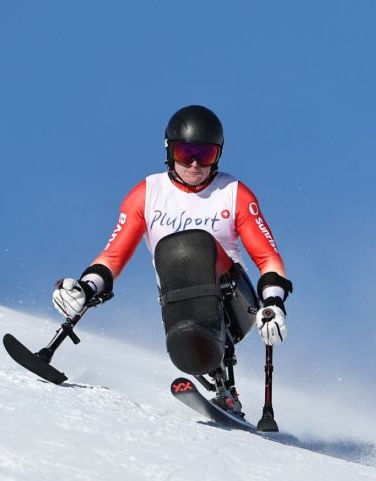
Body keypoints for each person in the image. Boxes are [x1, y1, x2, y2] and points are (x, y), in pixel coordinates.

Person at [51, 105, 293, 416]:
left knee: (194, 244)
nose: (194, 164)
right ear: (169, 151)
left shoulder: (234, 193)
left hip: (235, 304)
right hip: (179, 303)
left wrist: (273, 304)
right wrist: (84, 289)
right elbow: (113, 255)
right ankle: (217, 381)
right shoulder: (147, 193)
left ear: (217, 156)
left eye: (204, 155)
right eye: (185, 152)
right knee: (176, 253)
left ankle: (223, 383)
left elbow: (268, 258)